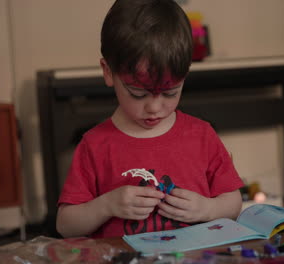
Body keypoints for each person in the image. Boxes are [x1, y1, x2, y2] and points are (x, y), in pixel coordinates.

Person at [56, 0, 243, 239]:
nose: (154, 108)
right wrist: (106, 205)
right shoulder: (94, 145)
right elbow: (65, 225)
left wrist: (208, 209)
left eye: (170, 92)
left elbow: (233, 202)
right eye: (139, 93)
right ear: (108, 72)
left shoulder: (202, 135)